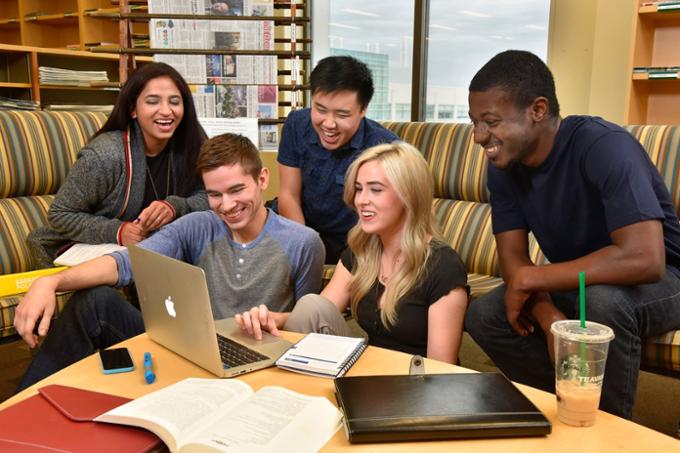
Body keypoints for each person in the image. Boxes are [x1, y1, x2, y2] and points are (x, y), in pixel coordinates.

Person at [14, 133, 325, 391]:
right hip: (192, 349)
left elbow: (302, 324)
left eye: (237, 190)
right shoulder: (198, 225)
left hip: (257, 362)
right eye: (215, 194)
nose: (227, 205)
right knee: (94, 302)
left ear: (262, 179)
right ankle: (20, 414)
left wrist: (269, 320)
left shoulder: (303, 242)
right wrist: (50, 282)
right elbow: (126, 263)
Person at [464, 50, 680, 419]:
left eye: (491, 121)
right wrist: (548, 317)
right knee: (486, 312)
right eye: (474, 122)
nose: (479, 137)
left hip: (666, 280)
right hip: (581, 280)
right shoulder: (503, 166)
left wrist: (535, 278)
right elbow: (513, 260)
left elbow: (646, 259)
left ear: (538, 109)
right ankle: (561, 406)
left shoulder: (603, 146)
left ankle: (607, 431)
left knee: (600, 305)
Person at [236, 142, 469, 364]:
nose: (361, 200)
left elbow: (441, 369)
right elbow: (315, 313)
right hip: (367, 373)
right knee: (311, 304)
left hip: (417, 384)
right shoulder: (362, 251)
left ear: (409, 195)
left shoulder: (443, 266)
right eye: (359, 189)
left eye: (375, 190)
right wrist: (275, 319)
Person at [27, 62, 209, 268]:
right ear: (133, 109)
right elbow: (60, 214)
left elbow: (211, 196)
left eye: (175, 102)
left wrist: (176, 207)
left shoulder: (194, 144)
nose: (166, 111)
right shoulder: (105, 155)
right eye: (152, 101)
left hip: (159, 252)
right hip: (97, 251)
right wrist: (118, 231)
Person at [277, 56, 399, 264]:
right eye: (320, 110)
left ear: (363, 110)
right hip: (300, 228)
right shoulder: (297, 124)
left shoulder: (385, 149)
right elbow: (288, 194)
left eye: (342, 115)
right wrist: (305, 246)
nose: (329, 124)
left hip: (350, 241)